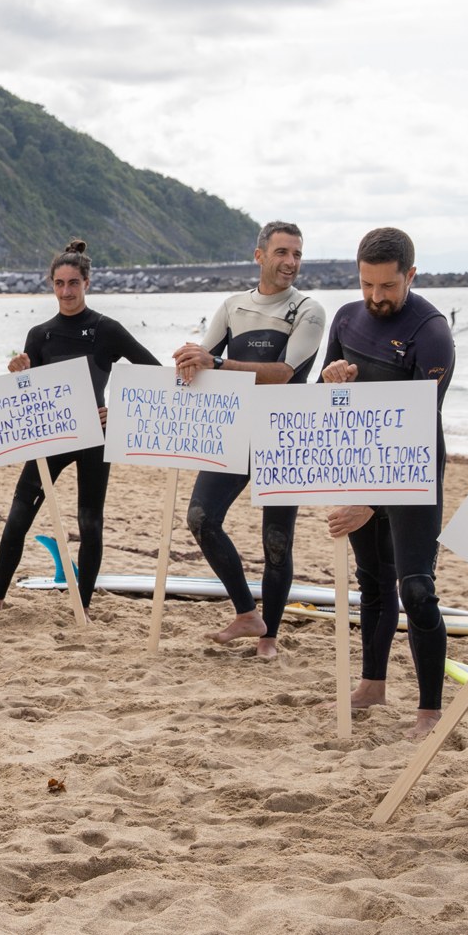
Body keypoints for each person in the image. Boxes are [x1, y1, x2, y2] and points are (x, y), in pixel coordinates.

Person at [0, 239, 161, 617]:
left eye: (73, 283)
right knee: (17, 518)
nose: (66, 291)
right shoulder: (39, 334)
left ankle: (85, 606)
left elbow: (153, 373)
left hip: (95, 436)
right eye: (59, 283)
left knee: (90, 524)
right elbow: (30, 395)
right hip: (51, 438)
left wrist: (122, 412)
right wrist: (17, 373)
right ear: (51, 284)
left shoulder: (106, 330)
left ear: (87, 283)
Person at [320, 227, 454, 738]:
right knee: (372, 580)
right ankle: (372, 684)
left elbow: (416, 431)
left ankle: (429, 710)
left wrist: (371, 505)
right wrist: (333, 382)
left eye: (388, 287)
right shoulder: (347, 318)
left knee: (416, 589)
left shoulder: (431, 333)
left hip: (413, 475)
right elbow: (323, 400)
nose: (375, 298)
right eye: (366, 285)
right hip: (359, 465)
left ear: (411, 276)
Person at [172, 221, 326, 658]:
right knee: (201, 519)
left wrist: (216, 363)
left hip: (283, 436)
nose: (291, 262)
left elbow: (283, 374)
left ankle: (269, 636)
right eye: (282, 253)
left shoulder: (308, 310)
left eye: (297, 254)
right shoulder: (233, 306)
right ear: (259, 256)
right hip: (234, 430)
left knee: (276, 540)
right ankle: (245, 611)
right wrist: (184, 364)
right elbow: (202, 364)